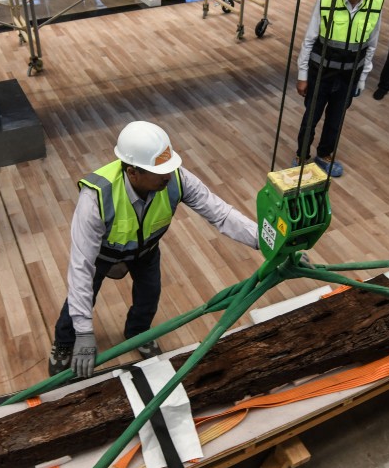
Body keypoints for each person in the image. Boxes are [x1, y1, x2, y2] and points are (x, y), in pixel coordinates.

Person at [49, 121, 259, 378]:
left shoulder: (176, 179)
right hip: (103, 255)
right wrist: (84, 332)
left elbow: (221, 214)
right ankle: (64, 342)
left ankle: (137, 333)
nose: (168, 175)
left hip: (146, 251)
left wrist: (265, 239)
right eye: (159, 171)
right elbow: (81, 266)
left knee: (149, 294)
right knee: (82, 295)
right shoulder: (96, 197)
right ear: (132, 172)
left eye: (169, 167)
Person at [294, 0, 385, 178]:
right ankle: (301, 156)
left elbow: (370, 47)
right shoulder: (326, 1)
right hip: (320, 74)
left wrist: (362, 80)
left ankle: (324, 155)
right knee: (310, 119)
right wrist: (302, 75)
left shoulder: (375, 5)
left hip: (348, 78)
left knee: (335, 121)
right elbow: (309, 40)